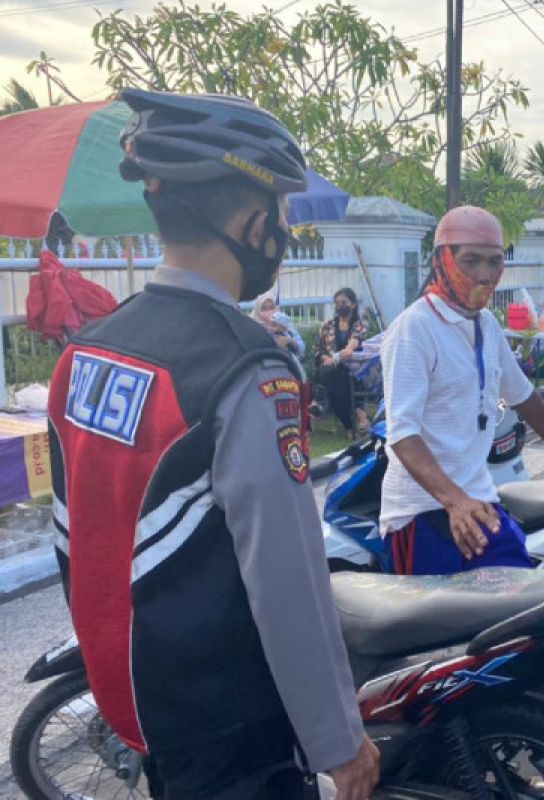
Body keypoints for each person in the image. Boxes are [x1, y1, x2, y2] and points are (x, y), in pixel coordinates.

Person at [46, 88, 377, 799]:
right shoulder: (247, 369)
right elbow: (288, 583)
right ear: (254, 222)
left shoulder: (88, 352)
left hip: (143, 708)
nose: (286, 229)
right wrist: (340, 743)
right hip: (233, 729)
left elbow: (74, 540)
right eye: (283, 211)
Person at [380, 205, 544, 576]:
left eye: (495, 262)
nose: (485, 274)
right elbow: (403, 433)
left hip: (477, 499)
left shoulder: (486, 325)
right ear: (442, 260)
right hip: (422, 512)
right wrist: (454, 501)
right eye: (471, 261)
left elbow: (522, 394)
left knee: (519, 605)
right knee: (445, 630)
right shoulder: (414, 329)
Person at [313, 287, 369, 438]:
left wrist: (337, 358)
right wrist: (327, 359)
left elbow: (353, 345)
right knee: (335, 383)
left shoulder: (360, 323)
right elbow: (318, 350)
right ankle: (355, 421)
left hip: (353, 367)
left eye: (344, 302)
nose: (340, 306)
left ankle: (319, 403)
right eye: (337, 303)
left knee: (335, 381)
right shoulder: (328, 325)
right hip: (332, 369)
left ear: (353, 304)